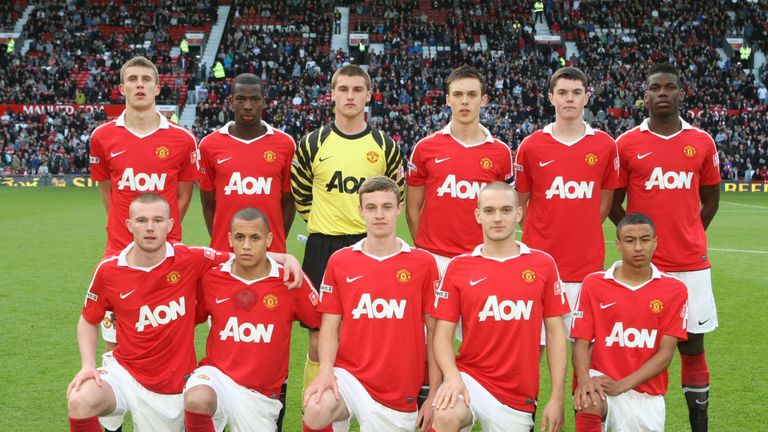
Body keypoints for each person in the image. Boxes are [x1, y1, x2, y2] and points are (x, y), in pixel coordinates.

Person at [66, 194, 303, 432]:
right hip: (124, 373)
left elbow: (240, 256)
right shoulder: (109, 270)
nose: (150, 227)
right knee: (80, 400)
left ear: (170, 225)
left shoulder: (190, 259)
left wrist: (284, 257)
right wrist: (87, 364)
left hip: (172, 388)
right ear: (129, 225)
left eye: (158, 220)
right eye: (142, 220)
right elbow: (88, 319)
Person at [609, 63, 720, 432]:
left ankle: (698, 427)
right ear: (645, 95)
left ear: (680, 93)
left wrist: (688, 232)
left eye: (669, 87)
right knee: (635, 345)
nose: (661, 93)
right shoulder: (626, 143)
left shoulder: (702, 141)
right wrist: (637, 240)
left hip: (690, 263)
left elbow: (711, 200)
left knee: (692, 347)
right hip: (642, 268)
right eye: (654, 87)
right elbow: (613, 203)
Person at [291, 64, 404, 408]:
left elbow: (395, 193)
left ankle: (373, 408)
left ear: (369, 95)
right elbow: (301, 194)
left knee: (369, 335)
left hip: (368, 249)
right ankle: (317, 408)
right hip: (323, 246)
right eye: (344, 89)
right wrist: (325, 222)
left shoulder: (384, 145)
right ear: (333, 94)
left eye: (358, 89)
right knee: (316, 339)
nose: (350, 96)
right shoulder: (312, 143)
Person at [302, 176, 439, 432]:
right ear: (360, 210)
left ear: (399, 208)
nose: (379, 215)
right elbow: (329, 328)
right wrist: (326, 371)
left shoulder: (423, 263)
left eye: (387, 207)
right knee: (317, 407)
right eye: (371, 207)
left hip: (398, 388)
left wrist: (433, 393)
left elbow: (435, 333)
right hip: (350, 377)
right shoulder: (340, 261)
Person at [431, 182, 568, 432]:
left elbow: (556, 334)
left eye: (506, 210)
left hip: (518, 392)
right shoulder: (459, 267)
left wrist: (557, 397)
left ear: (518, 214)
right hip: (471, 378)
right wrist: (451, 376)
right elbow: (441, 335)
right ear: (478, 215)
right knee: (446, 416)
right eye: (490, 210)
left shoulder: (543, 264)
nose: (497, 218)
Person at [89, 55, 199, 356]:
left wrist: (162, 232)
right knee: (115, 346)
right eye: (133, 80)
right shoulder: (102, 137)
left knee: (168, 339)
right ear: (122, 88)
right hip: (119, 251)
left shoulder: (182, 139)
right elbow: (107, 193)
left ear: (158, 87)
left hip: (168, 253)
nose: (140, 85)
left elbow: (183, 197)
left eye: (146, 80)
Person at [183, 207, 321, 432]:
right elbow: (185, 322)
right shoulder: (213, 278)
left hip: (262, 394)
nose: (246, 245)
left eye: (254, 237)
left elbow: (320, 323)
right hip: (217, 377)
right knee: (197, 399)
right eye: (240, 237)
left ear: (268, 239)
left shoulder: (290, 279)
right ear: (230, 239)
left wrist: (325, 372)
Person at [514, 66, 619, 336]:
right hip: (540, 261)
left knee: (586, 345)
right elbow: (520, 203)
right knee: (532, 345)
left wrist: (582, 228)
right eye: (562, 92)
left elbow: (606, 202)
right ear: (551, 97)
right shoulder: (531, 145)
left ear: (586, 97)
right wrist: (541, 231)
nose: (569, 98)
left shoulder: (605, 146)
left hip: (586, 262)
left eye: (576, 92)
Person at [571, 213, 689, 431]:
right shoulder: (594, 283)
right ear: (618, 244)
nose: (638, 247)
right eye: (629, 240)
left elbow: (665, 354)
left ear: (655, 242)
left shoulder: (674, 289)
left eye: (645, 240)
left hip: (647, 394)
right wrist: (584, 379)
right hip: (602, 382)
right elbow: (581, 341)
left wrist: (623, 385)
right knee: (590, 400)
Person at [406, 65, 513, 276]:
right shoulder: (425, 148)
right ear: (447, 99)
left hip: (481, 258)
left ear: (483, 100)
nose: (464, 101)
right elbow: (412, 208)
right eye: (458, 94)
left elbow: (506, 212)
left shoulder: (501, 152)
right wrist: (426, 251)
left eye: (472, 94)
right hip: (433, 259)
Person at [199, 73, 296, 254]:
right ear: (231, 101)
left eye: (254, 99)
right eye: (241, 99)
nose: (248, 106)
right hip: (225, 252)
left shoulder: (285, 144)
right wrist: (222, 241)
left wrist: (274, 240)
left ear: (264, 102)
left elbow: (288, 203)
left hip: (271, 253)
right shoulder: (209, 145)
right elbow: (208, 204)